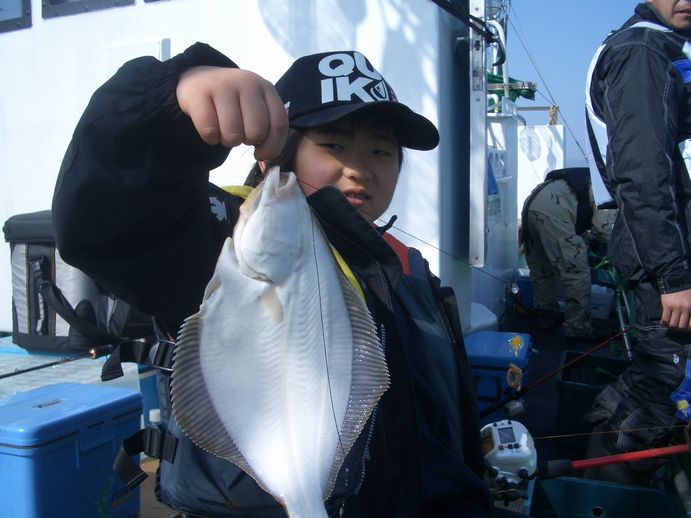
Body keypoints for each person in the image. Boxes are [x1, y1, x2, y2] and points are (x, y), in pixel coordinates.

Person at [52, 44, 509, 517]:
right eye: (333, 145)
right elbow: (99, 222)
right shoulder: (218, 231)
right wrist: (169, 102)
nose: (359, 169)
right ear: (275, 153)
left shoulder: (407, 270)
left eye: (382, 151)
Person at [584, 0, 691, 483]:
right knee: (662, 382)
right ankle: (605, 494)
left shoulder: (651, 46)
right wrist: (674, 275)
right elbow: (643, 175)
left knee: (652, 380)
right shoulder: (643, 50)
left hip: (654, 250)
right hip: (662, 260)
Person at [520, 167, 615, 341]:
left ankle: (546, 317)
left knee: (542, 271)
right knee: (576, 273)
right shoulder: (609, 188)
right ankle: (578, 330)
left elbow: (580, 218)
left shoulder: (594, 178)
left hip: (532, 207)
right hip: (554, 212)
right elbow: (604, 229)